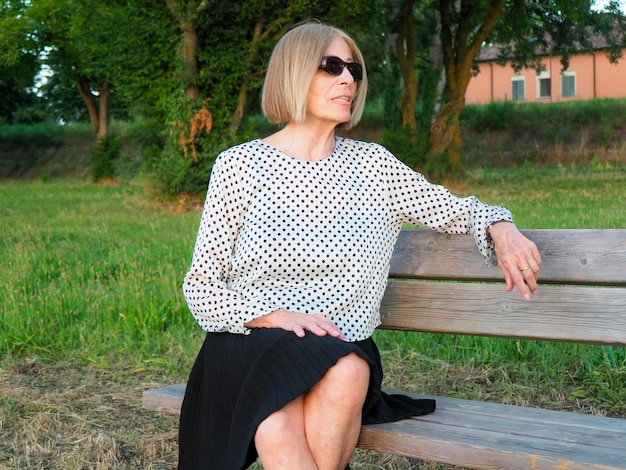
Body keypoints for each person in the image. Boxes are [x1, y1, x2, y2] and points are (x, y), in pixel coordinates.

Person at [178, 20, 542, 470]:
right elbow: (200, 289)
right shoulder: (239, 166)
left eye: (354, 69)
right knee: (279, 423)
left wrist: (500, 227)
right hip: (254, 340)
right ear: (293, 72)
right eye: (331, 66)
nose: (348, 78)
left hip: (340, 346)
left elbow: (456, 210)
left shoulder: (373, 167)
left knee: (347, 369)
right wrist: (275, 315)